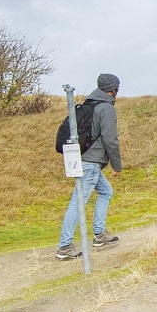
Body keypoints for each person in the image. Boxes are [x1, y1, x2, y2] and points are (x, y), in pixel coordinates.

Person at [56, 73, 124, 260]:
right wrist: (117, 165)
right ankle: (64, 246)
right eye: (117, 89)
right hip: (91, 163)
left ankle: (100, 235)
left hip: (83, 159)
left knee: (106, 191)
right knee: (78, 202)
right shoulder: (106, 108)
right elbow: (110, 139)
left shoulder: (89, 105)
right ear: (113, 90)